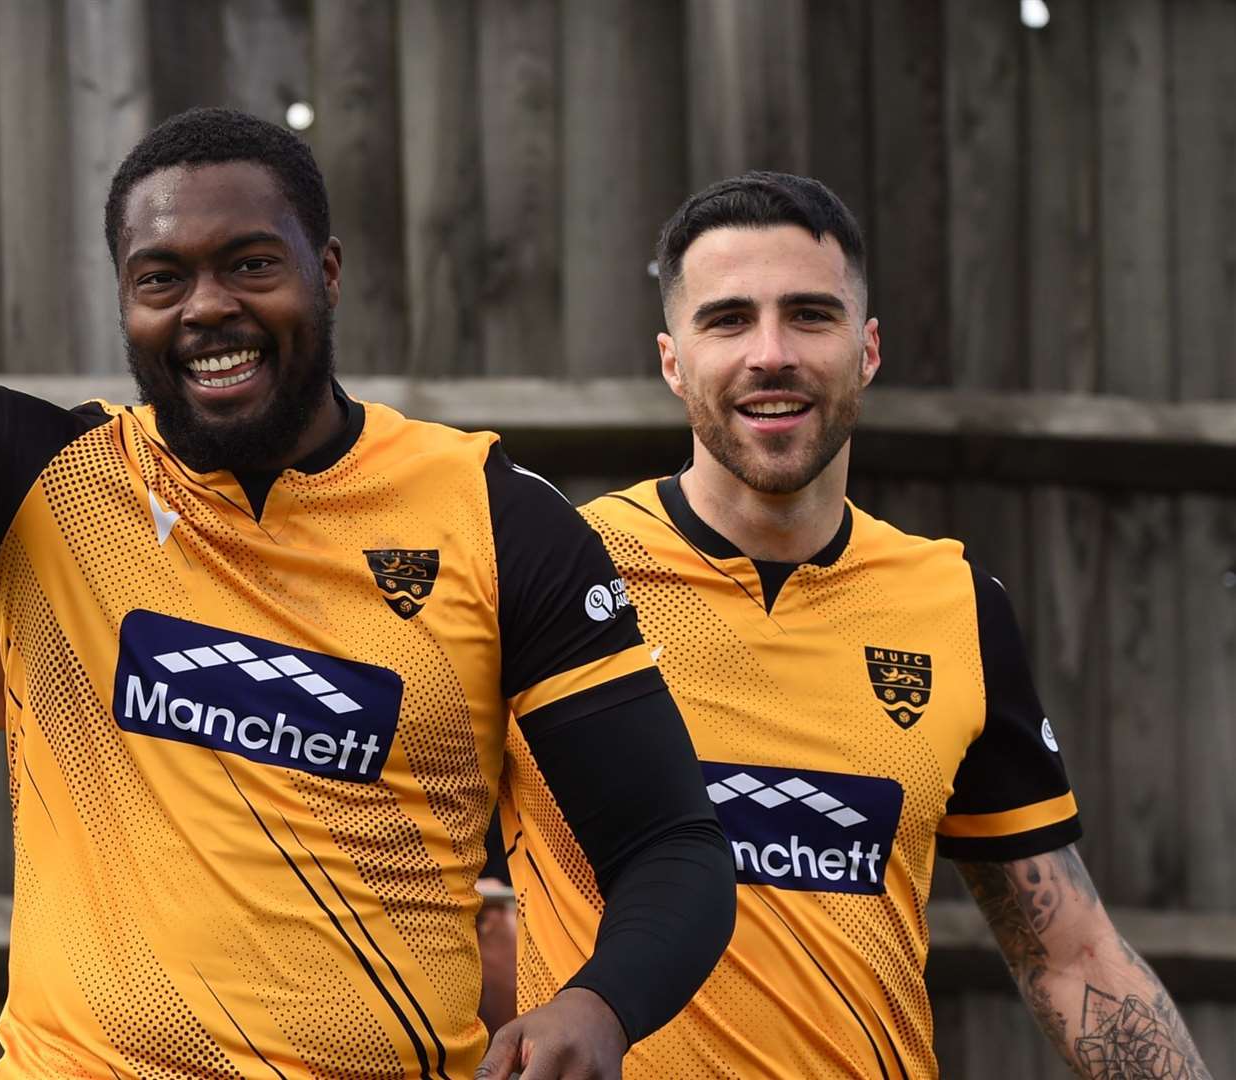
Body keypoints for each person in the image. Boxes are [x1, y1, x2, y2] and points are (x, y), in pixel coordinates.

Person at [0, 107, 735, 1080]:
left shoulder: (497, 519)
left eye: (249, 264)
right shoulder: (38, 479)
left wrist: (600, 1004)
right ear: (127, 303)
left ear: (325, 272)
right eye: (161, 278)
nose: (208, 308)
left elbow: (670, 846)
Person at [502, 172, 1211, 1078]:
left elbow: (1070, 957)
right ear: (673, 360)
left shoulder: (954, 602)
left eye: (810, 315)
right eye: (727, 320)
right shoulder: (562, 575)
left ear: (867, 349)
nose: (771, 354)